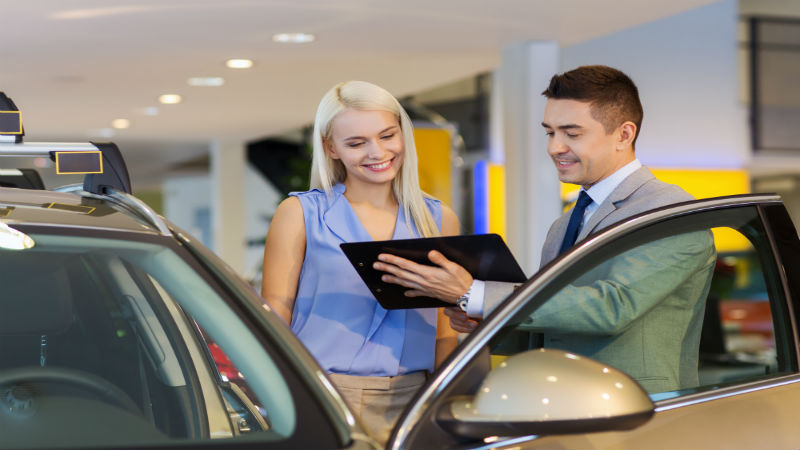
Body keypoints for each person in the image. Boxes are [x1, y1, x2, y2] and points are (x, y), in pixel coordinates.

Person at [373, 65, 716, 392]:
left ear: (624, 134)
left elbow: (612, 308)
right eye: (550, 132)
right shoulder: (565, 222)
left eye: (572, 133)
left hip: (634, 413)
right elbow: (555, 325)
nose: (554, 147)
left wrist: (473, 293)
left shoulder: (669, 212)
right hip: (560, 403)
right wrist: (486, 317)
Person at [260, 80, 459, 443]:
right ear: (330, 148)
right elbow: (276, 313)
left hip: (416, 400)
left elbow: (445, 329)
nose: (377, 152)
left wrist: (443, 401)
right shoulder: (301, 214)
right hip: (325, 395)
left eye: (387, 136)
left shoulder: (436, 218)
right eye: (356, 143)